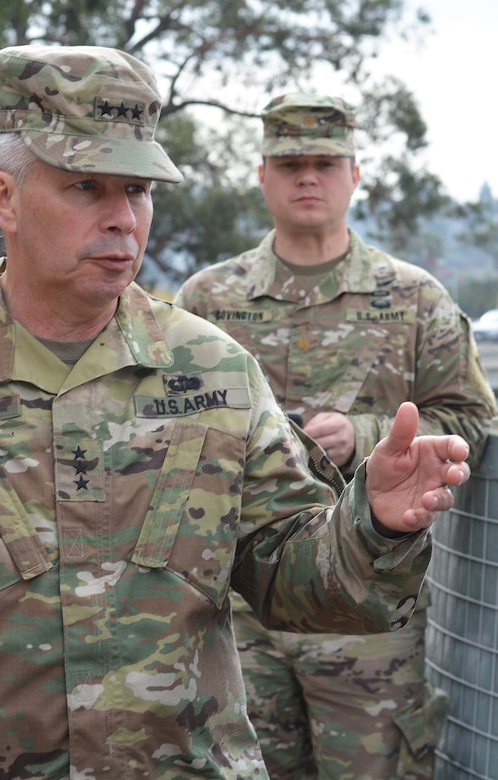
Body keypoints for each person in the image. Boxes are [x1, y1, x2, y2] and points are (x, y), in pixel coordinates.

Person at [0, 50, 473, 780]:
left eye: (137, 190)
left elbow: (300, 585)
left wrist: (373, 525)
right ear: (4, 197)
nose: (122, 219)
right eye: (86, 187)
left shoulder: (214, 372)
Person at [174, 93, 497, 780]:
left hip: (368, 615)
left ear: (355, 174)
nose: (306, 178)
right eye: (289, 163)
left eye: (324, 162)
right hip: (239, 607)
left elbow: (471, 417)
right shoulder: (206, 302)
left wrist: (365, 435)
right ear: (261, 174)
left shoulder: (413, 298)